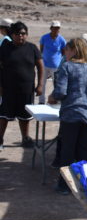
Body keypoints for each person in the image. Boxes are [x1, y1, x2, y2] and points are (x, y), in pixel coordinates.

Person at [48, 38, 87, 195]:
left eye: (67, 49)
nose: (65, 52)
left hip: (71, 114)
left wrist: (53, 96)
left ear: (73, 50)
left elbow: (61, 92)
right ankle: (85, 184)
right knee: (83, 149)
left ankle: (64, 185)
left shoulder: (67, 67)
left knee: (67, 150)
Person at [0, 21, 44, 150]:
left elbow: (40, 66)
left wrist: (40, 84)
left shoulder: (32, 48)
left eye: (23, 33)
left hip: (26, 89)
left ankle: (25, 138)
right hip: (7, 89)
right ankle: (0, 139)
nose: (21, 36)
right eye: (17, 34)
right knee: (3, 116)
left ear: (27, 34)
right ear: (12, 35)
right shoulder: (4, 48)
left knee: (25, 116)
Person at [39, 20, 66, 104]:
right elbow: (41, 49)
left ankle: (56, 100)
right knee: (42, 83)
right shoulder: (44, 37)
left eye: (58, 28)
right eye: (55, 28)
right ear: (51, 28)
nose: (56, 30)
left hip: (56, 66)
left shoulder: (61, 40)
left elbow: (63, 52)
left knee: (57, 84)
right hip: (45, 65)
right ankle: (41, 101)